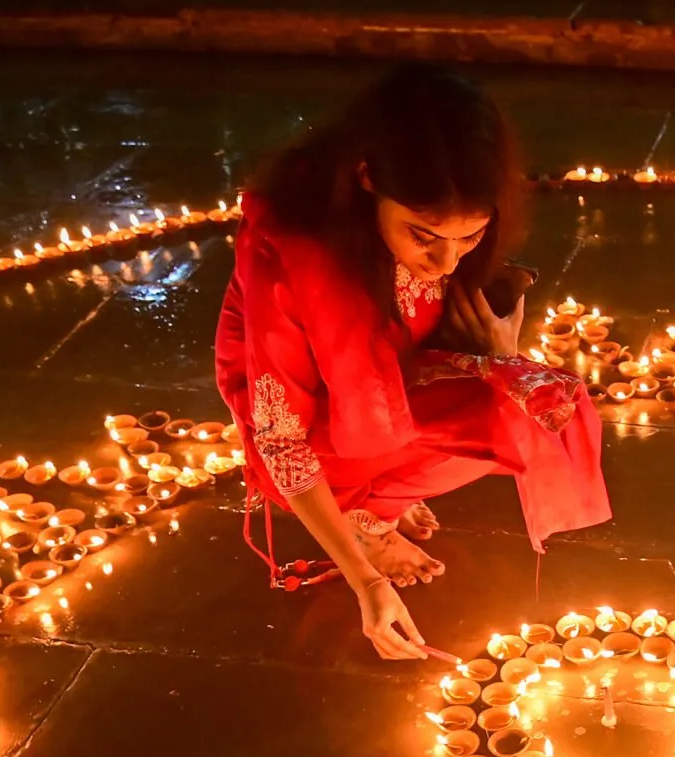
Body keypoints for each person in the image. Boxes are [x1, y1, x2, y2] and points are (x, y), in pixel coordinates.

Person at [214, 63, 610, 659]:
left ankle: (375, 507)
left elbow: (452, 338)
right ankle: (358, 520)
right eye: (424, 235)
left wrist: (502, 357)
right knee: (497, 398)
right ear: (367, 177)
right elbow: (281, 442)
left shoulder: (443, 240)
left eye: (470, 237)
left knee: (530, 402)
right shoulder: (294, 258)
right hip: (308, 424)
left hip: (389, 389)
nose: (447, 263)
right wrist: (364, 581)